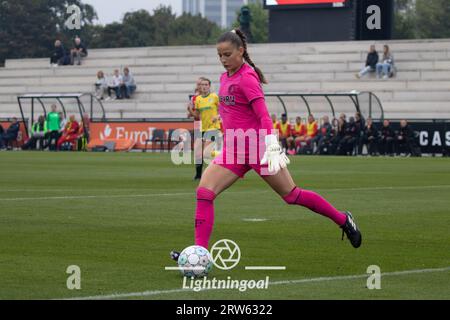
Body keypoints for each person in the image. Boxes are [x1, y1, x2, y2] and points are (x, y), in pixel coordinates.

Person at [170, 29, 362, 263]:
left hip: (258, 149)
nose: (223, 60)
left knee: (292, 195)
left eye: (227, 54)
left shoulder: (247, 77)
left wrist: (272, 146)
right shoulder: (224, 78)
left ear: (241, 51)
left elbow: (263, 116)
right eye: (219, 55)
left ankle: (343, 220)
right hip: (234, 150)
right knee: (204, 192)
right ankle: (199, 254)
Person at [192, 77, 222, 180]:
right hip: (202, 128)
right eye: (202, 85)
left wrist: (218, 116)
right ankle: (198, 175)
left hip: (213, 128)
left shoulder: (214, 97)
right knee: (197, 153)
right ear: (200, 87)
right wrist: (190, 110)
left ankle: (224, 156)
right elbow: (196, 115)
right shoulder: (198, 99)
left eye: (206, 85)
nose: (204, 87)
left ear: (209, 86)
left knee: (206, 153)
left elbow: (223, 109)